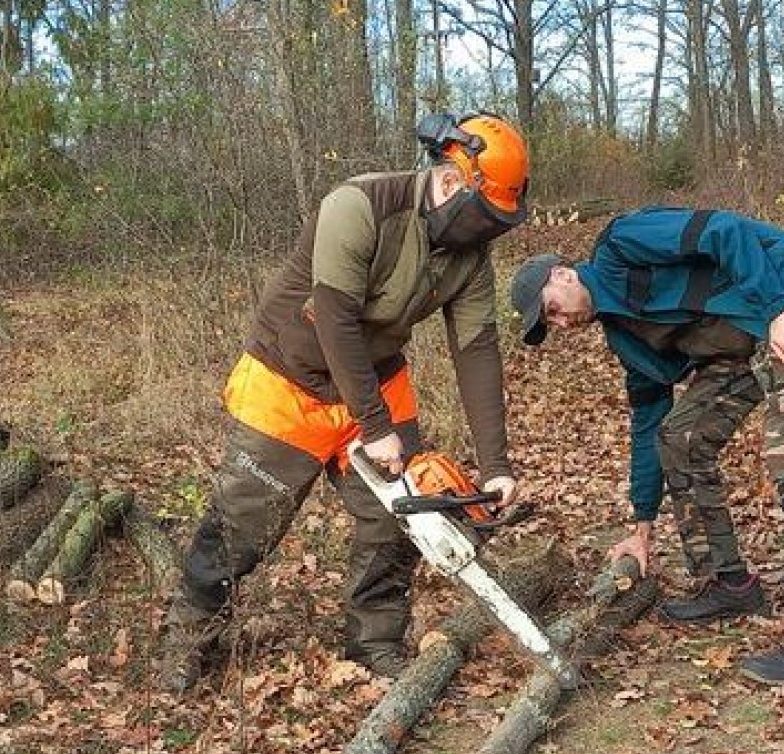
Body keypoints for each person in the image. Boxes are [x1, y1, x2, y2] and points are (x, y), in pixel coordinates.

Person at [156, 112, 531, 692]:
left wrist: (497, 464)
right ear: (454, 183)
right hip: (292, 380)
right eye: (487, 217)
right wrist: (374, 425)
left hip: (377, 382)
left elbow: (477, 350)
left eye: (499, 224)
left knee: (395, 520)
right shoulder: (358, 207)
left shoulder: (469, 257)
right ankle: (186, 641)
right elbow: (336, 321)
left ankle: (374, 645)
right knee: (242, 526)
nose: (489, 233)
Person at [507, 208, 784, 684]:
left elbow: (724, 231)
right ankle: (730, 583)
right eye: (550, 325)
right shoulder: (624, 338)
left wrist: (777, 312)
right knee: (679, 438)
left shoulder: (623, 241)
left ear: (564, 274)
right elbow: (648, 422)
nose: (561, 323)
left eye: (552, 308)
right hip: (739, 346)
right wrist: (642, 525)